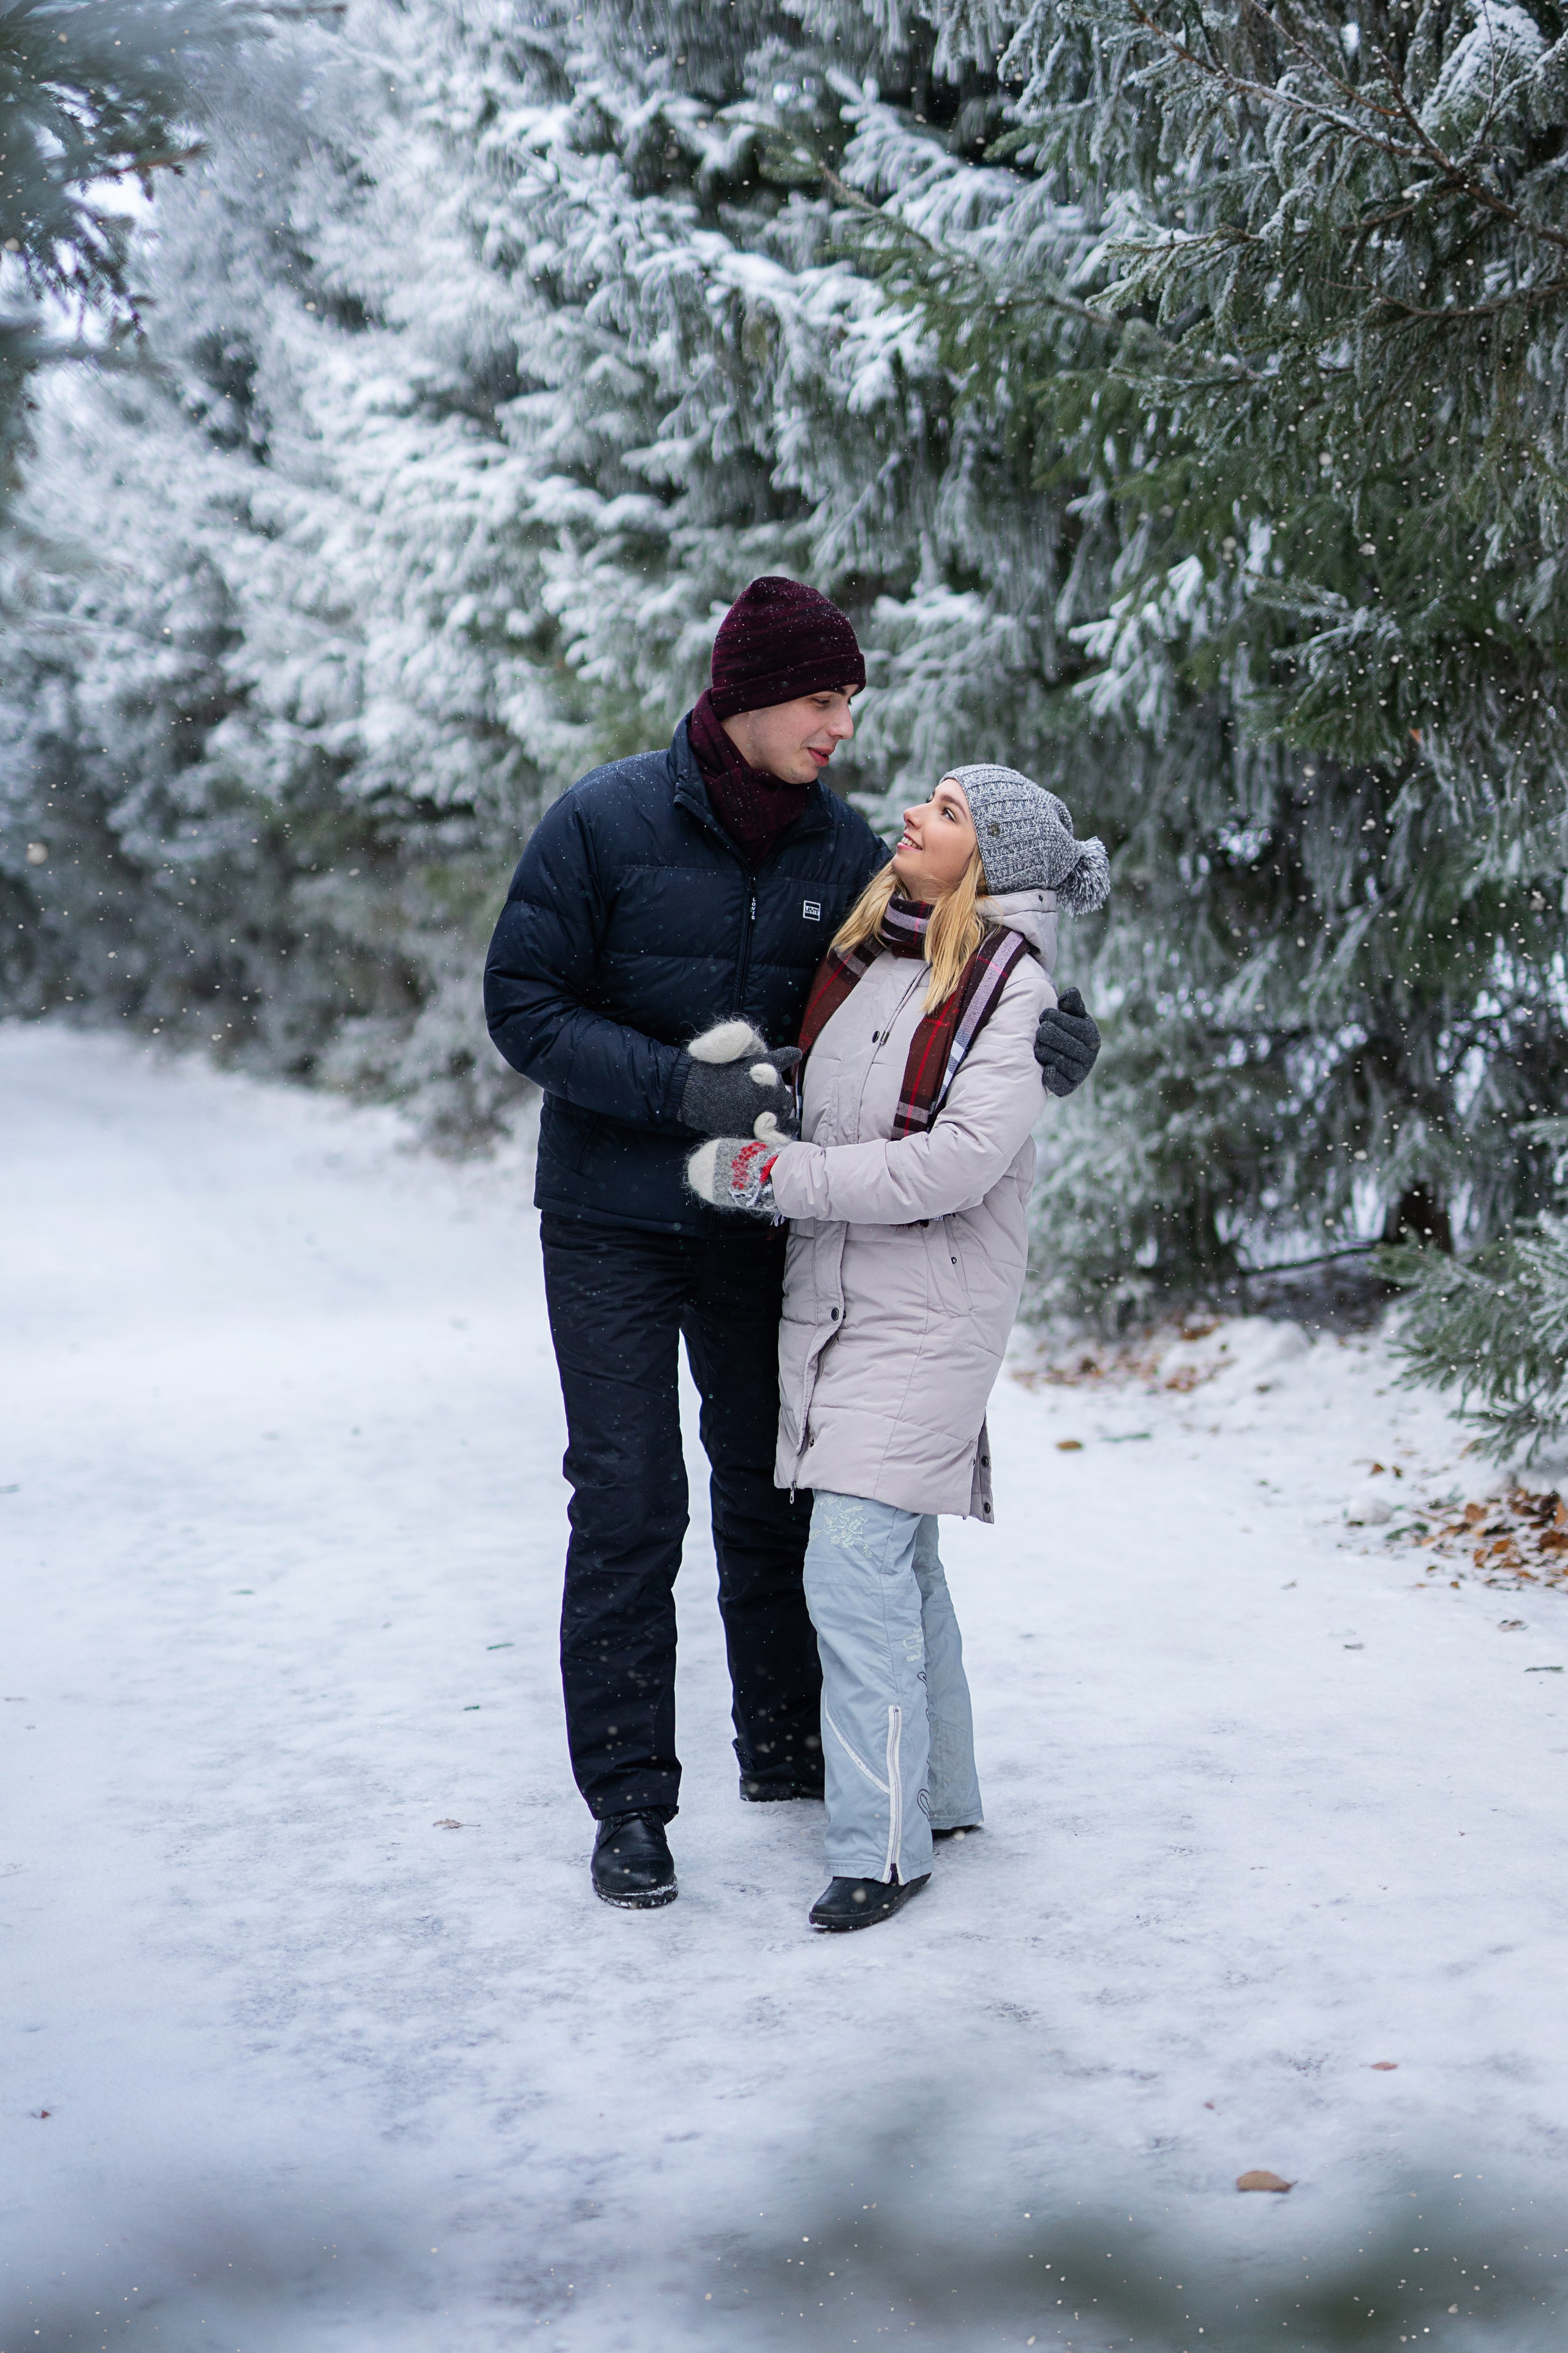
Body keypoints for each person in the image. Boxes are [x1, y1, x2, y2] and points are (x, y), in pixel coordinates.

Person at [484, 580, 1102, 1910]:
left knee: (773, 1493)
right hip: (606, 1218)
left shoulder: (844, 851)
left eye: (849, 701)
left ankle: (787, 1749)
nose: (842, 726)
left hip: (763, 1225)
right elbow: (523, 1004)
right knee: (628, 1501)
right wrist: (679, 1089)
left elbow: (955, 960)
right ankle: (631, 1806)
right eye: (824, 699)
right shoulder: (603, 820)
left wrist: (1058, 1032)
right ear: (752, 695)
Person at [686, 763, 1109, 1931]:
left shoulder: (1009, 990)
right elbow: (847, 1110)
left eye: (948, 811)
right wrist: (755, 1094)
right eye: (929, 798)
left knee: (851, 1564)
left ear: (989, 863)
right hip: (842, 1294)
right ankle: (943, 1797)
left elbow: (951, 1165)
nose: (914, 816)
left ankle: (880, 1847)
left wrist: (774, 1176)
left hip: (930, 1308)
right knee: (897, 1561)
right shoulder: (883, 955)